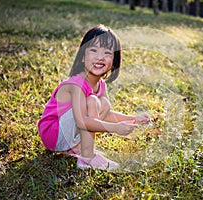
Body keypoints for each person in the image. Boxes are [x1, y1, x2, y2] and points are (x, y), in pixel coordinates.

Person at [38, 24, 150, 170]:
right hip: (53, 133)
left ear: (114, 61)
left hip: (68, 134)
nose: (100, 57)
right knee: (92, 100)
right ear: (83, 56)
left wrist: (134, 119)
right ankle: (86, 156)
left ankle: (76, 149)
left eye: (107, 53)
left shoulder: (101, 85)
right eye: (93, 50)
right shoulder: (76, 84)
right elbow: (83, 121)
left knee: (103, 103)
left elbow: (107, 114)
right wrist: (115, 128)